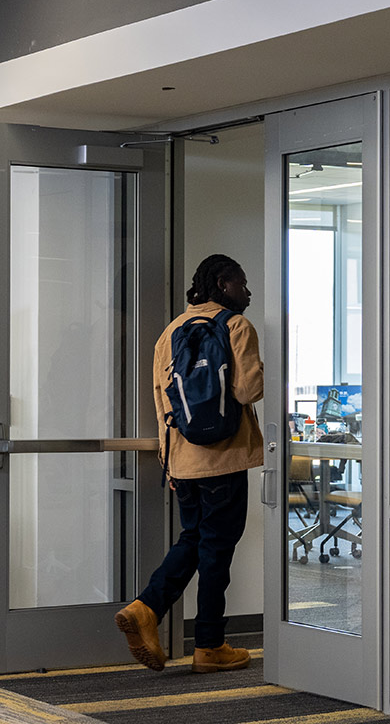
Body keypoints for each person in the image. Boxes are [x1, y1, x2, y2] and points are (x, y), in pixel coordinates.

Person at [115, 254, 264, 672]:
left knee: (195, 539)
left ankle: (147, 608)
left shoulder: (171, 331)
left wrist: (169, 462)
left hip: (183, 461)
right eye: (242, 283)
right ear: (222, 283)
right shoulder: (235, 325)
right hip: (225, 459)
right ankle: (209, 645)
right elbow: (249, 391)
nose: (247, 292)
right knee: (216, 549)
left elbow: (162, 401)